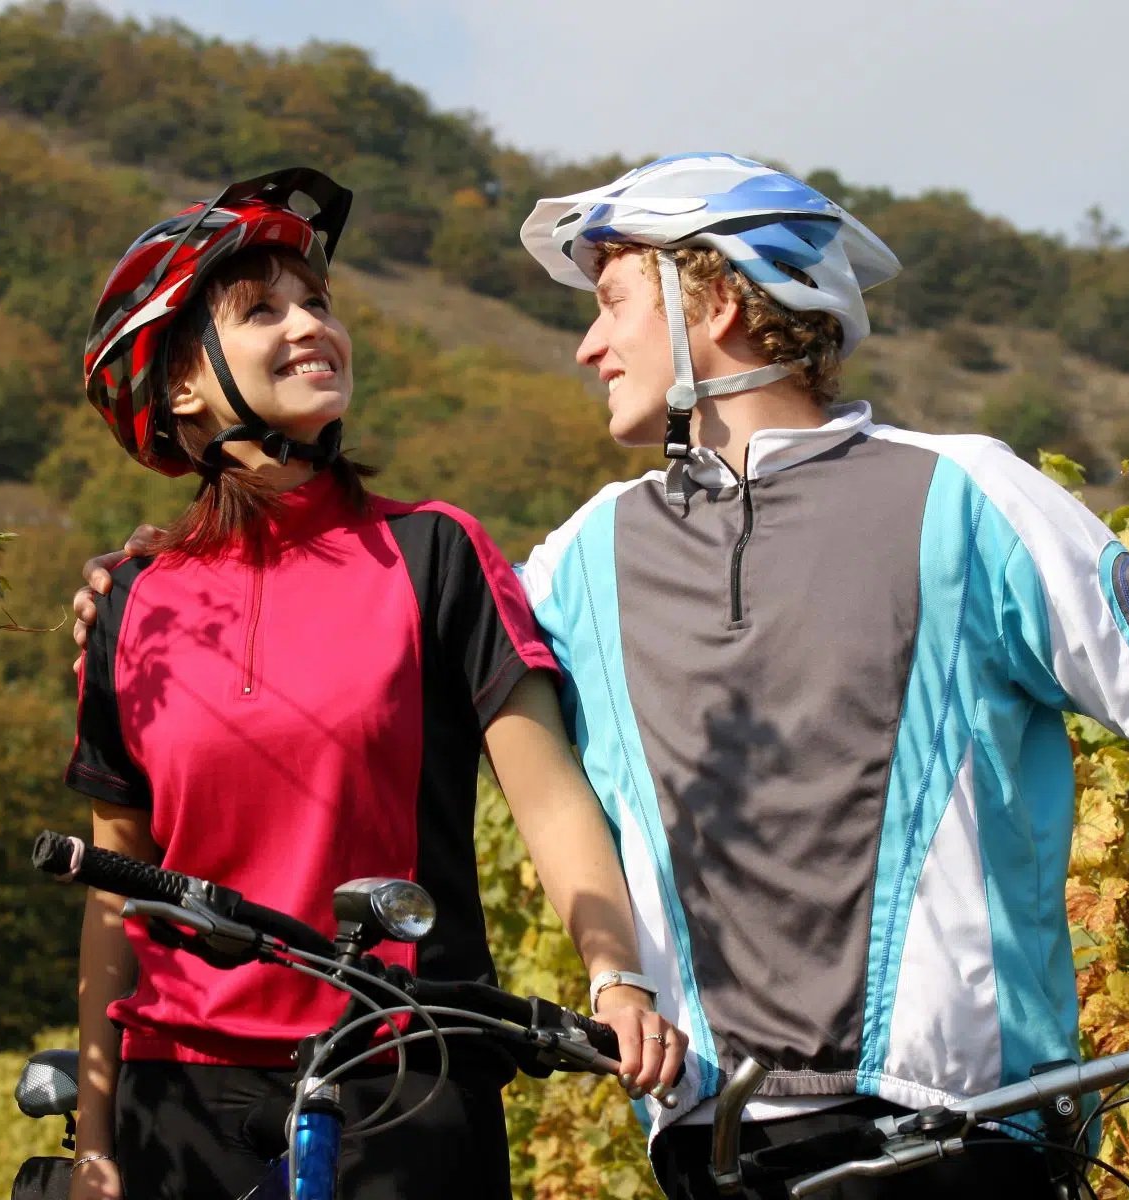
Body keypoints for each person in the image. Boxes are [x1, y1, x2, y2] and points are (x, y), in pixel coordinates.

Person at [75, 155, 1129, 1199]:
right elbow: (373, 637)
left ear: (714, 302)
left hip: (962, 1127)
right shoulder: (579, 557)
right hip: (711, 1144)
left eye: (611, 302)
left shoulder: (964, 489)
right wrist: (162, 579)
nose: (583, 346)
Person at [63, 167, 683, 1200]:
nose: (311, 324)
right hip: (180, 1098)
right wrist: (95, 1137)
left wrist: (614, 976)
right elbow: (112, 893)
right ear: (179, 386)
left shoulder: (434, 553)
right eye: (263, 310)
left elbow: (550, 801)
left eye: (318, 304)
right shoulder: (131, 601)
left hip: (404, 1077)